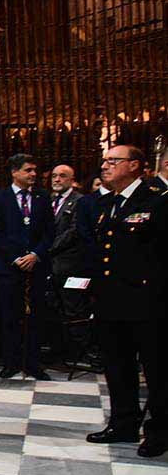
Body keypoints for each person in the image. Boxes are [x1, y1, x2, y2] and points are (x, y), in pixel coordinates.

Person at [86, 145, 167, 458]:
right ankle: (123, 423)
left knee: (156, 371)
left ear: (134, 165)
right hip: (111, 300)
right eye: (105, 161)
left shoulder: (157, 201)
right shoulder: (109, 203)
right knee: (117, 366)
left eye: (113, 161)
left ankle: (159, 431)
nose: (105, 166)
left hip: (146, 301)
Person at [0, 153, 54, 380]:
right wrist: (15, 257)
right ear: (14, 172)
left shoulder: (42, 197)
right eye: (28, 170)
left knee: (35, 316)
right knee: (10, 316)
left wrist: (36, 254)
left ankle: (33, 363)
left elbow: (49, 231)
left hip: (36, 266)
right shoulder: (0, 197)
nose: (33, 174)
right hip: (9, 267)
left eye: (34, 170)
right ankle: (11, 362)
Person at [47, 164, 88, 352]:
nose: (57, 179)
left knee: (73, 308)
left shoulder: (80, 201)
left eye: (62, 176)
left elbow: (74, 231)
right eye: (54, 176)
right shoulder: (47, 200)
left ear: (72, 180)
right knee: (52, 307)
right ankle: (58, 348)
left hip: (69, 264)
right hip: (49, 264)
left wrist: (48, 247)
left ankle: (79, 350)